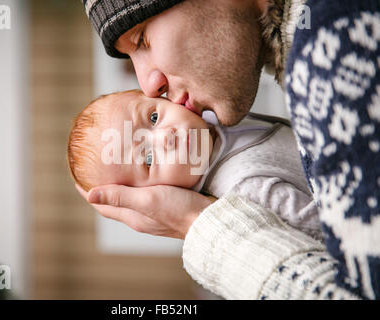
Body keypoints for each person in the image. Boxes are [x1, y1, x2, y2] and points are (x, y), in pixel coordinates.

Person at [79, 0, 379, 299]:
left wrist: (196, 223)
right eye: (147, 159)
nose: (148, 85)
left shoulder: (328, 48)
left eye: (143, 39)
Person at [68, 89, 324, 240]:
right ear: (152, 195)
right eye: (148, 159)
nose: (165, 136)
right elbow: (323, 228)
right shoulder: (243, 188)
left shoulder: (215, 112)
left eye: (154, 117)